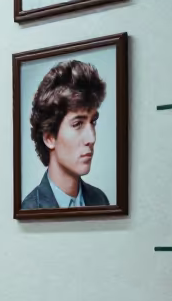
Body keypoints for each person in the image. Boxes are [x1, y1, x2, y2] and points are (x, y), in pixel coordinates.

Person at [21, 60, 110, 210]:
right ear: (49, 138)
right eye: (77, 124)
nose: (91, 139)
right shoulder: (30, 208)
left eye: (93, 122)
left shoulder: (99, 199)